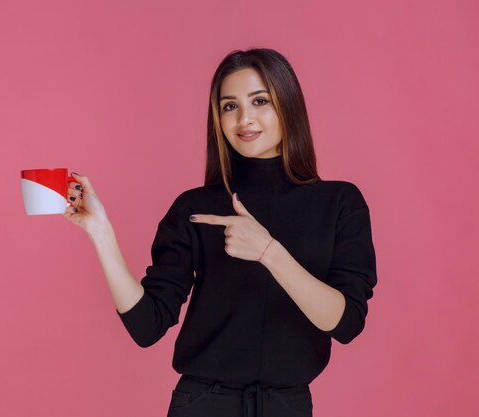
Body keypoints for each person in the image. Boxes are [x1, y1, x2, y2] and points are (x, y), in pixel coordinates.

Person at [62, 48, 377, 417]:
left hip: (287, 406)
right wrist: (101, 232)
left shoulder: (340, 202)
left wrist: (268, 252)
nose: (245, 118)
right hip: (200, 404)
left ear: (288, 104)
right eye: (229, 106)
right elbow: (147, 327)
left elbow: (345, 323)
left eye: (260, 101)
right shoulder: (195, 209)